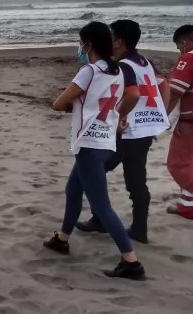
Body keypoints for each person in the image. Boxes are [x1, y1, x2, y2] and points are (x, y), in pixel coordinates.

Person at [44, 21, 145, 280]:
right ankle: (62, 239)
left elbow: (58, 103)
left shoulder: (89, 71)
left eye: (81, 43)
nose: (80, 47)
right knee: (73, 189)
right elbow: (116, 101)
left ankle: (131, 261)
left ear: (88, 44)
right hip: (105, 141)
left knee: (102, 205)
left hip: (89, 142)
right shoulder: (118, 71)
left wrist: (70, 105)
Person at [76, 19, 170, 243]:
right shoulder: (143, 61)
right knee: (136, 181)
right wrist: (159, 118)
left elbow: (133, 95)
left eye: (110, 36)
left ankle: (100, 219)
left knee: (90, 174)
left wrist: (116, 116)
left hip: (126, 134)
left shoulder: (124, 66)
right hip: (144, 133)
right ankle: (139, 229)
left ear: (118, 41)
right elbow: (164, 85)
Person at [166, 24, 193, 219]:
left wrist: (162, 117)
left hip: (189, 121)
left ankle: (188, 207)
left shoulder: (188, 58)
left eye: (178, 47)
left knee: (178, 164)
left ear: (183, 42)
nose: (179, 51)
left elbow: (175, 91)